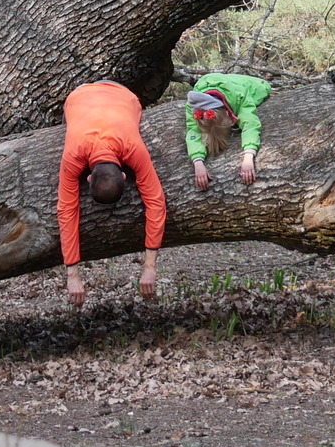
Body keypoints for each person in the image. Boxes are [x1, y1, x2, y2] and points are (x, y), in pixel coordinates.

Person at [57, 80, 166, 308]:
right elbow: (155, 202)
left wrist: (72, 275)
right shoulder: (129, 148)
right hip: (104, 94)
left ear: (88, 178)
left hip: (97, 94)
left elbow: (67, 211)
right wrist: (149, 267)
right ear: (124, 175)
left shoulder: (78, 154)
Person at [183, 72, 269, 189]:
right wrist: (197, 162)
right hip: (222, 84)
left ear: (229, 114)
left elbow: (250, 123)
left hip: (249, 86)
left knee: (262, 91)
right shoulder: (194, 107)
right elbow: (193, 130)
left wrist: (249, 156)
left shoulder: (240, 96)